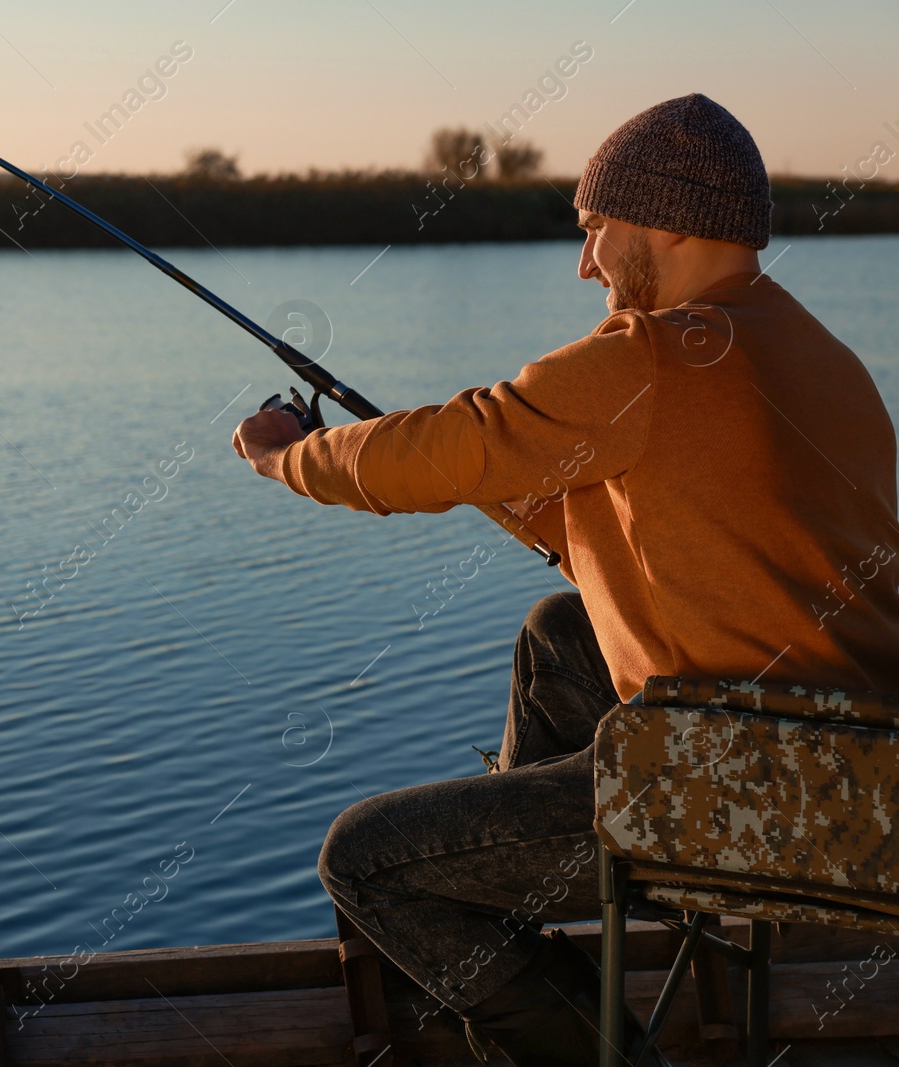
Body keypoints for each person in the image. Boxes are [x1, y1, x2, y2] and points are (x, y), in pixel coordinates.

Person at [232, 93, 899, 1066]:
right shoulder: (814, 353)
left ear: (665, 220)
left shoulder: (653, 354)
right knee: (560, 630)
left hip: (752, 797)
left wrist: (290, 454)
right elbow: (689, 526)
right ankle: (528, 899)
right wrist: (506, 489)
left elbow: (445, 445)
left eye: (594, 230)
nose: (584, 262)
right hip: (858, 776)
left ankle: (575, 1032)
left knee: (367, 861)